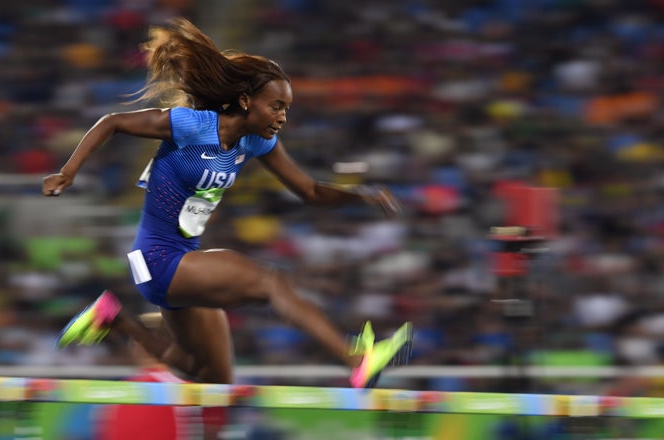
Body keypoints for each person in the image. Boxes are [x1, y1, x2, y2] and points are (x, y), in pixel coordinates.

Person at [42, 17, 412, 388]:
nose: (282, 117)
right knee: (271, 282)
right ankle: (356, 360)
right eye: (276, 106)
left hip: (184, 262)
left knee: (209, 375)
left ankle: (112, 319)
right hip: (158, 259)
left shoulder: (257, 141)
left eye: (287, 109)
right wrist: (69, 172)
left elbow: (309, 190)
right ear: (246, 101)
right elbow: (113, 122)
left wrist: (360, 197)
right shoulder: (193, 125)